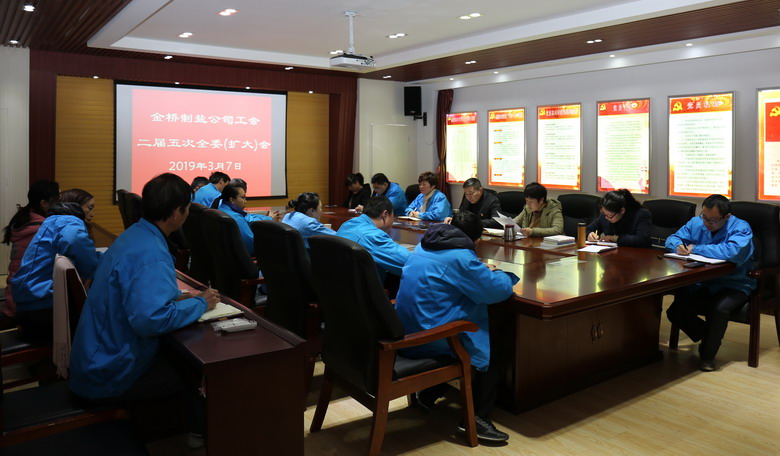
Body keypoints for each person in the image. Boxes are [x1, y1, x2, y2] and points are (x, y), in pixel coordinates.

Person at [69, 173, 218, 448]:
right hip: (108, 372)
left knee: (178, 354)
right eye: (187, 208)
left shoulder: (134, 235)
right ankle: (201, 435)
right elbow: (151, 321)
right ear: (177, 212)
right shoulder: (152, 252)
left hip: (96, 357)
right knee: (198, 369)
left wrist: (176, 296)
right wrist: (201, 303)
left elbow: (136, 293)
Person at [394, 211, 517, 442]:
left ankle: (429, 392)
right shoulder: (461, 257)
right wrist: (501, 274)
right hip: (429, 339)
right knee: (495, 346)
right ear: (475, 240)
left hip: (406, 329)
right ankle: (477, 418)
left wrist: (479, 271)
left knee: (458, 318)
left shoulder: (424, 244)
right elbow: (496, 291)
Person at [665, 194, 755, 372]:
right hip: (704, 282)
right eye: (704, 217)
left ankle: (707, 357)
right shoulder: (696, 222)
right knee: (676, 311)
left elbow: (732, 252)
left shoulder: (741, 227)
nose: (707, 223)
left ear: (726, 217)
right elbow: (672, 238)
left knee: (718, 309)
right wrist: (677, 246)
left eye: (713, 220)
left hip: (734, 283)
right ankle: (708, 334)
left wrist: (696, 248)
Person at [10, 189, 102, 344]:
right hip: (41, 311)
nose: (92, 214)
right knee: (104, 318)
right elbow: (75, 242)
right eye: (90, 208)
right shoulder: (69, 220)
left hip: (29, 307)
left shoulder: (53, 220)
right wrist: (94, 268)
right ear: (76, 206)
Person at [2, 180, 60, 320]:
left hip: (14, 295)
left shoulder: (26, 218)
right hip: (24, 303)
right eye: (57, 199)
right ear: (44, 203)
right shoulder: (41, 229)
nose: (60, 203)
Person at [336, 196, 410, 282]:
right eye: (392, 217)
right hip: (361, 288)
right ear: (385, 215)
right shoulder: (375, 237)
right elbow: (411, 263)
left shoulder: (346, 224)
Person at [586, 189, 651, 247]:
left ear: (622, 211)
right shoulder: (605, 216)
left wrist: (615, 238)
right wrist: (590, 234)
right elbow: (587, 229)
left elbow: (642, 239)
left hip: (636, 254)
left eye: (610, 215)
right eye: (604, 213)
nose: (606, 218)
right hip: (612, 253)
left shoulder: (640, 215)